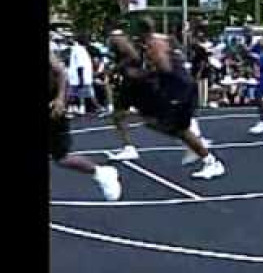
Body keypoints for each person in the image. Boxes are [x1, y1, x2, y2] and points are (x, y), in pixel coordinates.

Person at [108, 21, 225, 179]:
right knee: (158, 124)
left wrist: (142, 73)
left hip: (178, 88)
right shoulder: (159, 41)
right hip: (176, 86)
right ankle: (198, 148)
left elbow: (164, 67)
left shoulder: (155, 43)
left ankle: (210, 160)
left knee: (176, 128)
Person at [50, 50, 122, 201]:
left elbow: (61, 73)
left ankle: (101, 172)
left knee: (61, 157)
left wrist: (60, 99)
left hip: (52, 108)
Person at [68, 34, 104, 115]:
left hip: (80, 77)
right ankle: (99, 108)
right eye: (86, 39)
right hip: (81, 76)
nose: (88, 41)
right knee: (88, 93)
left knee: (75, 94)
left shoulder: (78, 49)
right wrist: (81, 78)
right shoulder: (79, 50)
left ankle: (72, 109)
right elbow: (80, 65)